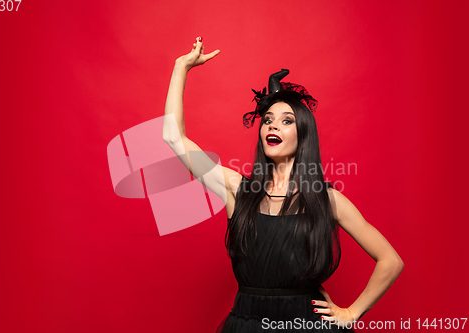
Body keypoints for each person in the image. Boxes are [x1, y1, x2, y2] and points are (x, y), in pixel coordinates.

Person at [162, 36, 404, 332]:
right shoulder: (237, 190)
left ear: (303, 135)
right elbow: (174, 138)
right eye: (268, 120)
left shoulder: (326, 200)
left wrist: (352, 312)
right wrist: (181, 67)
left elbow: (390, 261)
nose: (273, 125)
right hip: (247, 324)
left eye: (287, 120)